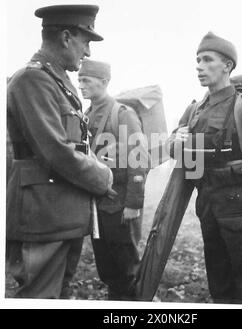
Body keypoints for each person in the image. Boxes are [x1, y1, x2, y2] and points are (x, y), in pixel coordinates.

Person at [6, 5, 116, 299]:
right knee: (40, 297)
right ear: (67, 37)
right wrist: (102, 177)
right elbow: (55, 150)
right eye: (86, 42)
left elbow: (79, 143)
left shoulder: (57, 82)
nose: (89, 52)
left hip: (61, 216)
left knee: (57, 297)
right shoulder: (32, 80)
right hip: (41, 217)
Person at [168, 32, 242, 304]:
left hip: (241, 212)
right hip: (208, 208)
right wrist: (175, 141)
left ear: (227, 66)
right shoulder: (195, 110)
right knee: (219, 284)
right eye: (197, 60)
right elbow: (174, 145)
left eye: (207, 60)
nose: (199, 66)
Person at [78, 59, 149, 300]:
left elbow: (139, 158)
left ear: (104, 82)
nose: (81, 85)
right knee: (107, 268)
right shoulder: (85, 115)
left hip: (120, 205)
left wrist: (133, 203)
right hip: (97, 205)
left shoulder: (122, 114)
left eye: (86, 80)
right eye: (79, 80)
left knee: (126, 269)